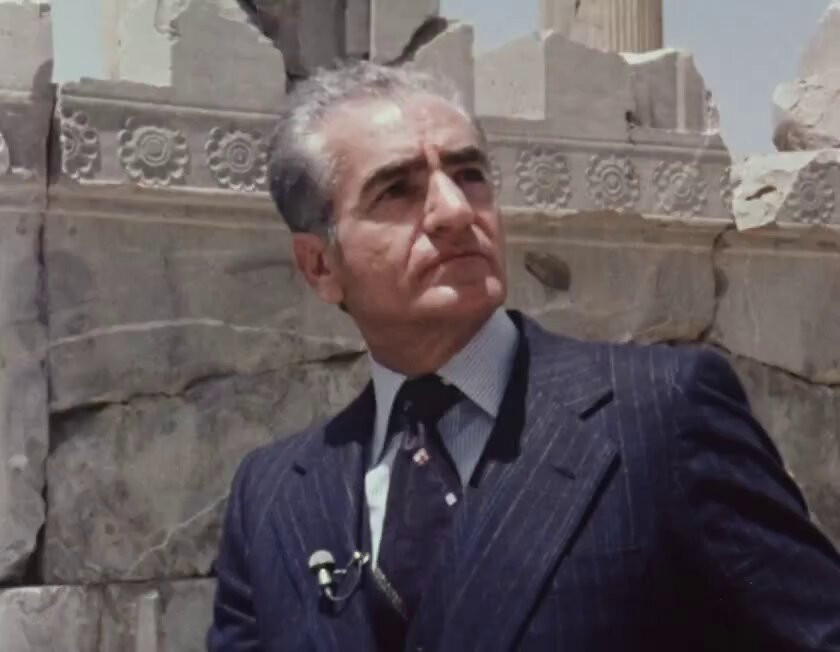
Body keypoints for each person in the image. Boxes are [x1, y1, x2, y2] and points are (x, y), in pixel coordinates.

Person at [207, 62, 840, 651]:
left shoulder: (661, 416)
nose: (456, 211)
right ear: (320, 265)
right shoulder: (270, 497)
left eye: (470, 175)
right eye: (396, 190)